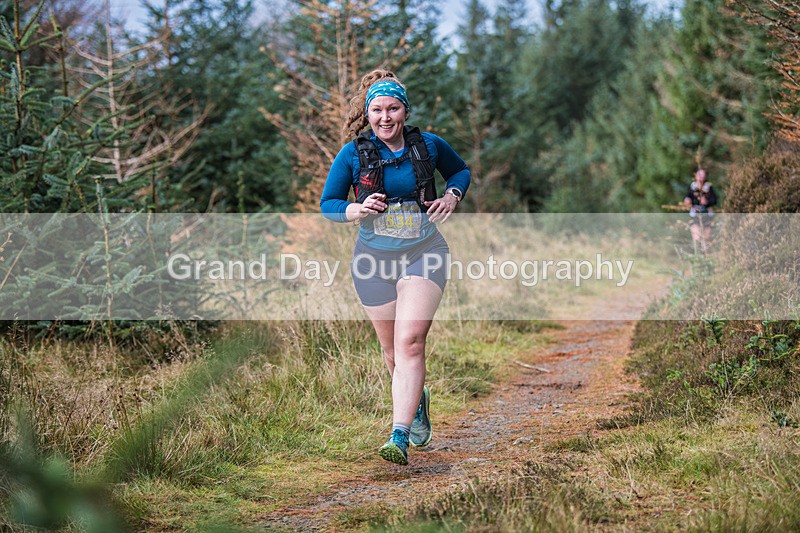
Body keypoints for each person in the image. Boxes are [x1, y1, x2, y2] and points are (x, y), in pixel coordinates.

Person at [320, 69, 470, 465]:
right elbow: (328, 204)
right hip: (372, 260)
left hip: (425, 251)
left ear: (404, 110)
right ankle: (416, 402)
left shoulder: (431, 145)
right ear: (367, 114)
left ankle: (398, 436)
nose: (385, 117)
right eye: (377, 110)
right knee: (391, 351)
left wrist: (453, 195)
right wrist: (356, 208)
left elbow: (461, 170)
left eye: (393, 108)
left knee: (409, 343)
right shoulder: (353, 153)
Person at [683, 168, 717, 252]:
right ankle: (697, 256)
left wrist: (707, 202)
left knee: (706, 239)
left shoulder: (709, 187)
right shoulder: (692, 187)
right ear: (696, 176)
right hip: (695, 216)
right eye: (699, 175)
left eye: (703, 175)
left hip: (707, 216)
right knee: (696, 237)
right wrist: (687, 200)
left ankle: (706, 256)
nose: (701, 177)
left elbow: (714, 200)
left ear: (705, 177)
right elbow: (688, 197)